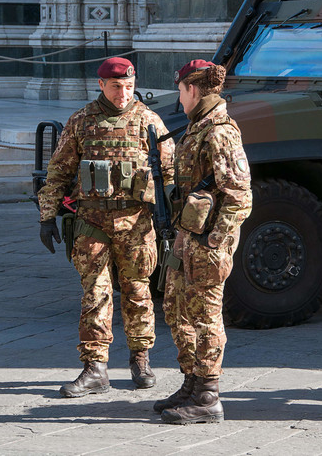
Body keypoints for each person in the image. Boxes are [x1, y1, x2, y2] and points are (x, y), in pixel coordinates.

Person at [38, 57, 174, 397]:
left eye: (128, 87)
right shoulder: (82, 121)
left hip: (137, 224)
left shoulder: (149, 120)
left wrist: (176, 218)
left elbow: (170, 174)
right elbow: (58, 171)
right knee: (95, 295)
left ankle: (140, 359)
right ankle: (95, 368)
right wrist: (47, 216)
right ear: (101, 85)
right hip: (92, 223)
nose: (123, 94)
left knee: (138, 292)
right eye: (115, 87)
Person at [154, 59, 252, 424]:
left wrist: (216, 242)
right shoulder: (199, 126)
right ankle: (191, 383)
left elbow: (240, 195)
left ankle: (208, 396)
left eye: (181, 91)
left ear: (192, 89)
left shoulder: (219, 132)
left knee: (205, 317)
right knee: (177, 308)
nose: (179, 99)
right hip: (188, 237)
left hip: (206, 244)